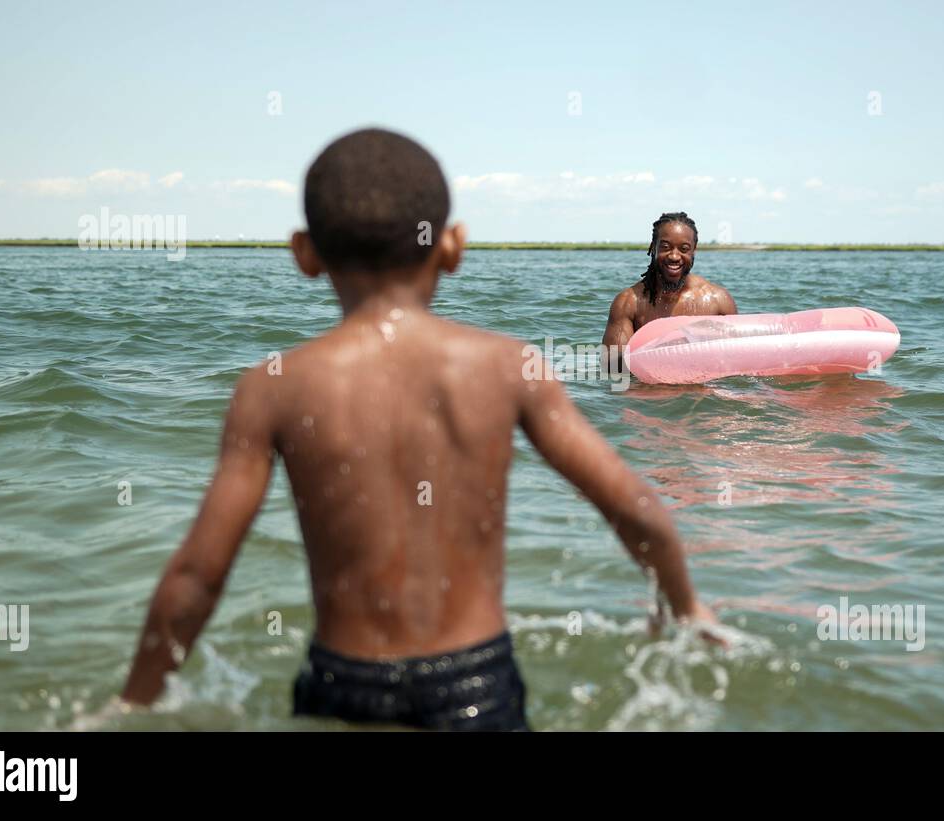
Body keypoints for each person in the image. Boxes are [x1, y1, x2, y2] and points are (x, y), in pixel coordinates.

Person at [121, 128, 719, 731]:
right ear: (453, 247)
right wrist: (685, 603)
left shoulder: (271, 385)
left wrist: (128, 706)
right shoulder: (508, 367)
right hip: (475, 682)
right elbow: (637, 507)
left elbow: (197, 575)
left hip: (341, 682)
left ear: (303, 253)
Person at [601, 212, 738, 371]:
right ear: (653, 247)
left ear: (694, 251)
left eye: (684, 249)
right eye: (665, 247)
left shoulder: (718, 301)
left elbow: (735, 365)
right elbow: (613, 369)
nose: (674, 256)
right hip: (649, 389)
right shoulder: (628, 303)